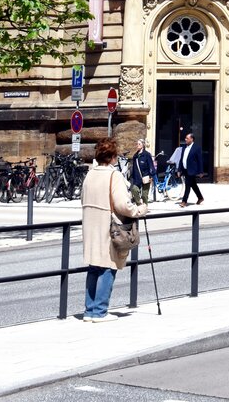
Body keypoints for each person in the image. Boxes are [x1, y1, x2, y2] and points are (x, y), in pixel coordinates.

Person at [81, 137, 147, 322]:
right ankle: (100, 312)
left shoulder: (90, 174)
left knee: (94, 267)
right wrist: (140, 210)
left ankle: (89, 310)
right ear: (111, 157)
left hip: (90, 224)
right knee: (108, 267)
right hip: (107, 227)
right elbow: (122, 205)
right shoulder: (113, 175)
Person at [178, 132, 204, 207]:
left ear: (192, 139)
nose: (185, 139)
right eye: (185, 138)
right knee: (193, 185)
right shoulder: (184, 147)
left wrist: (201, 171)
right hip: (185, 169)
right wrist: (179, 169)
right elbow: (181, 159)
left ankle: (184, 201)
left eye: (187, 138)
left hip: (192, 170)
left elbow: (200, 160)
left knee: (187, 185)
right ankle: (200, 198)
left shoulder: (197, 148)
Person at [130, 138, 155, 205]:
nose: (137, 145)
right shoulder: (135, 156)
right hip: (137, 178)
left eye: (139, 144)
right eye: (137, 144)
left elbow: (151, 166)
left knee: (144, 196)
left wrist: (151, 176)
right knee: (134, 190)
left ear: (143, 145)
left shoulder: (147, 155)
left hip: (146, 177)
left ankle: (145, 207)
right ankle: (139, 205)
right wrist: (132, 177)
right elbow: (134, 168)